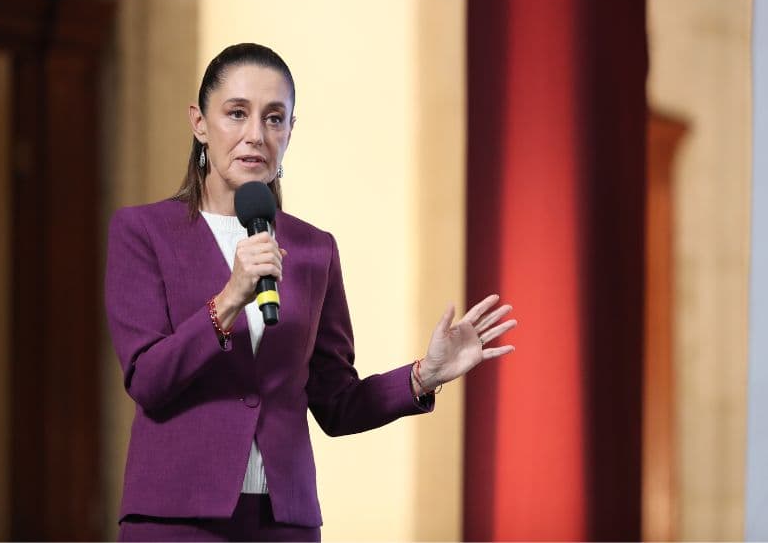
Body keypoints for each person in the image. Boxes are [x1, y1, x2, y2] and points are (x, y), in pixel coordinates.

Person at [105, 42, 517, 542]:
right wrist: (229, 299)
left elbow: (336, 403)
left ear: (290, 131)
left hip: (285, 522)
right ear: (199, 123)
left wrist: (422, 376)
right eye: (236, 113)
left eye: (274, 118)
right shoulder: (144, 232)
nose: (256, 135)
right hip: (175, 519)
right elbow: (147, 380)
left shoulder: (314, 249)